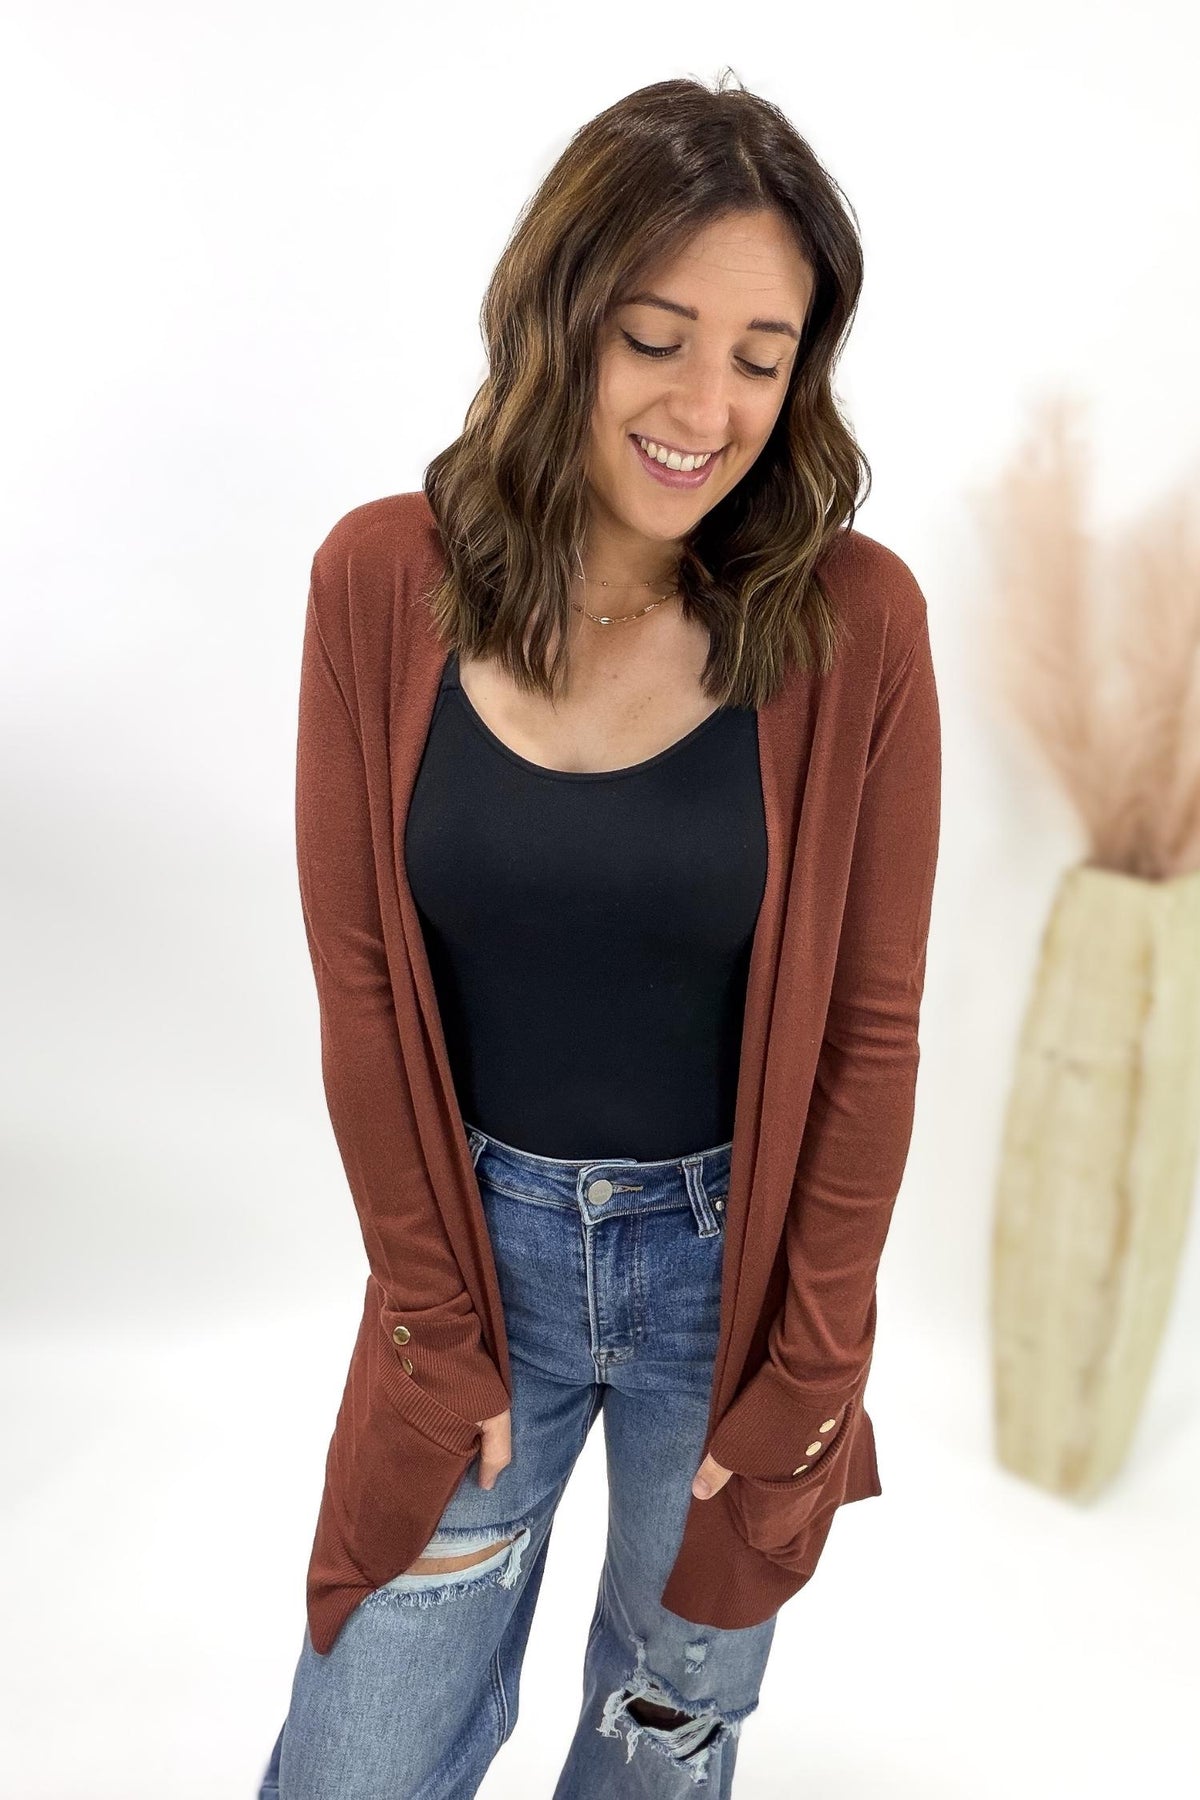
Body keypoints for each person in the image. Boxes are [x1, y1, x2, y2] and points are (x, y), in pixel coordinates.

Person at [259, 69, 941, 1799]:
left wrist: (803, 1388)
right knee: (356, 1756)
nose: (706, 406)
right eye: (656, 334)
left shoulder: (856, 625)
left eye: (762, 357)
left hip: (732, 1283)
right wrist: (438, 1325)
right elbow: (356, 984)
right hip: (476, 1257)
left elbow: (871, 1034)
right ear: (557, 312)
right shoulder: (374, 583)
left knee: (658, 1750)